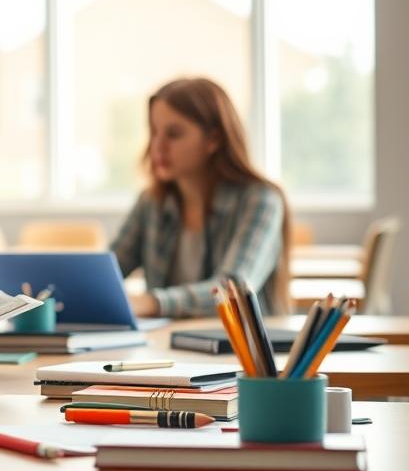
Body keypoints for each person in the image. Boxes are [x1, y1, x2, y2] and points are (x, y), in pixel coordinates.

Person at [112, 78, 292, 318]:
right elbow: (110, 269)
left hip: (237, 351)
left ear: (213, 139)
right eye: (154, 132)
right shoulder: (152, 202)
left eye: (174, 134)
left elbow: (233, 290)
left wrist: (151, 303)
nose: (158, 146)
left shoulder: (261, 201)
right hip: (163, 347)